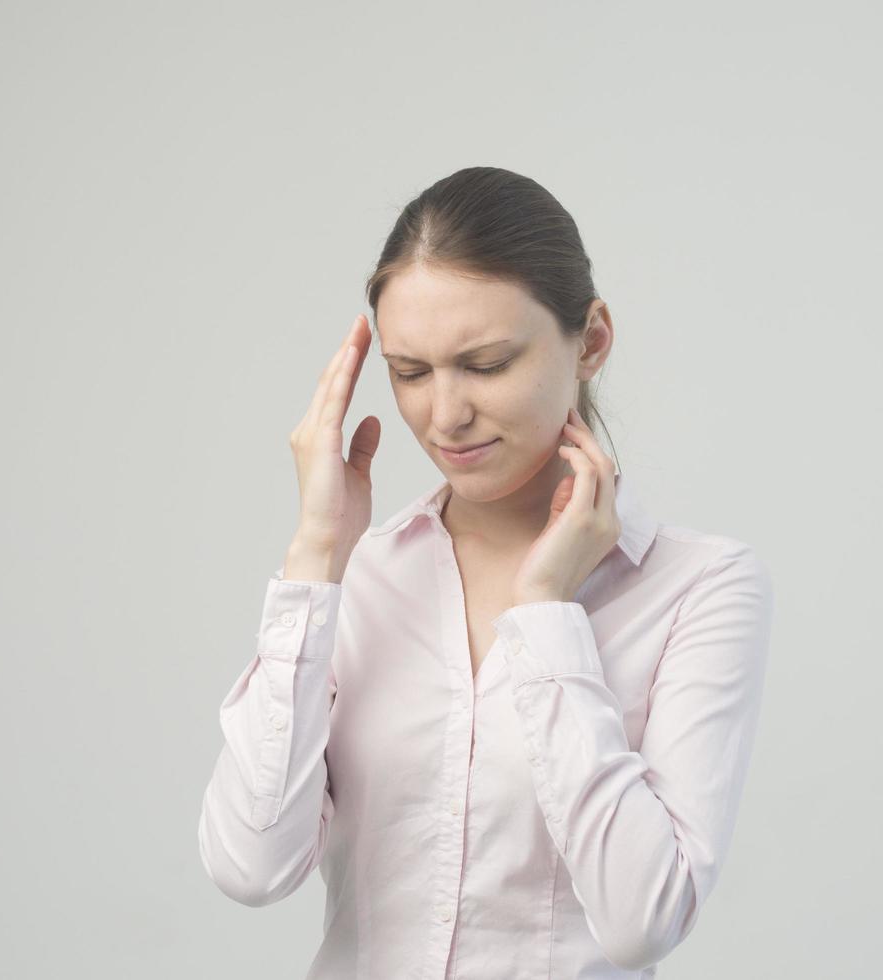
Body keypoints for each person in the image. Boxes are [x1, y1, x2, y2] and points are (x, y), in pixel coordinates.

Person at [196, 166, 776, 979]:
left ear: (593, 341)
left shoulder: (698, 590)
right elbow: (249, 868)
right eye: (410, 372)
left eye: (487, 363)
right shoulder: (357, 579)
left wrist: (545, 612)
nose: (445, 414)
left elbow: (643, 920)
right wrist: (315, 558)